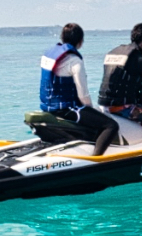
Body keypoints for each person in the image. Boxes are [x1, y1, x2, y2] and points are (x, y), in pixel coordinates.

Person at [40, 23, 120, 156]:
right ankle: (96, 159)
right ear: (80, 41)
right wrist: (91, 109)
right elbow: (83, 95)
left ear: (62, 38)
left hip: (47, 106)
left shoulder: (48, 55)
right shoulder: (74, 60)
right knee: (111, 126)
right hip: (65, 109)